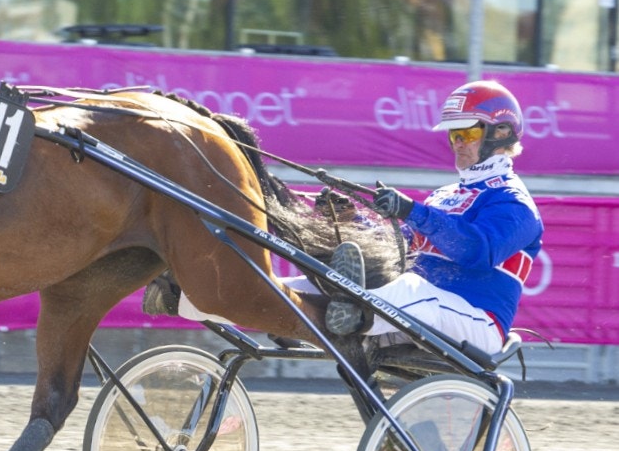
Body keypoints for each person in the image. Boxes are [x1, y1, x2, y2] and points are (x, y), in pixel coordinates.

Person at [152, 79, 543, 356]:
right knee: (293, 284)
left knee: (409, 289)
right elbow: (401, 250)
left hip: (476, 322)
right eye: (454, 136)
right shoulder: (446, 195)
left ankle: (352, 313)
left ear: (501, 133)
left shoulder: (516, 204)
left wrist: (411, 210)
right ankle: (187, 299)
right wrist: (349, 219)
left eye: (467, 134)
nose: (457, 145)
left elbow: (476, 251)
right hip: (416, 307)